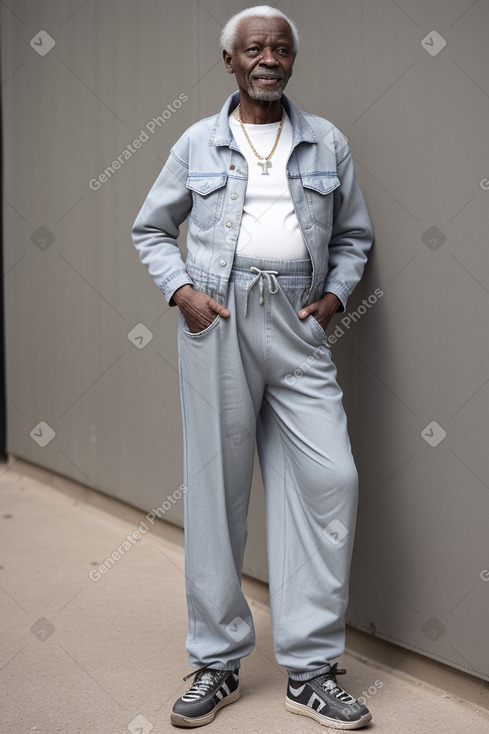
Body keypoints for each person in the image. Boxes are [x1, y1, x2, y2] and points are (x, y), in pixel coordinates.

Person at [132, 5, 373, 729]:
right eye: (253, 49)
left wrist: (333, 296)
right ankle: (217, 660)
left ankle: (309, 668)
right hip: (221, 320)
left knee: (330, 479)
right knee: (216, 492)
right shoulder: (197, 142)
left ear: (291, 61)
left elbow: (354, 235)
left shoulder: (325, 141)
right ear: (229, 62)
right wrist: (182, 293)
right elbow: (150, 227)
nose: (268, 58)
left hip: (297, 321)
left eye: (280, 48)